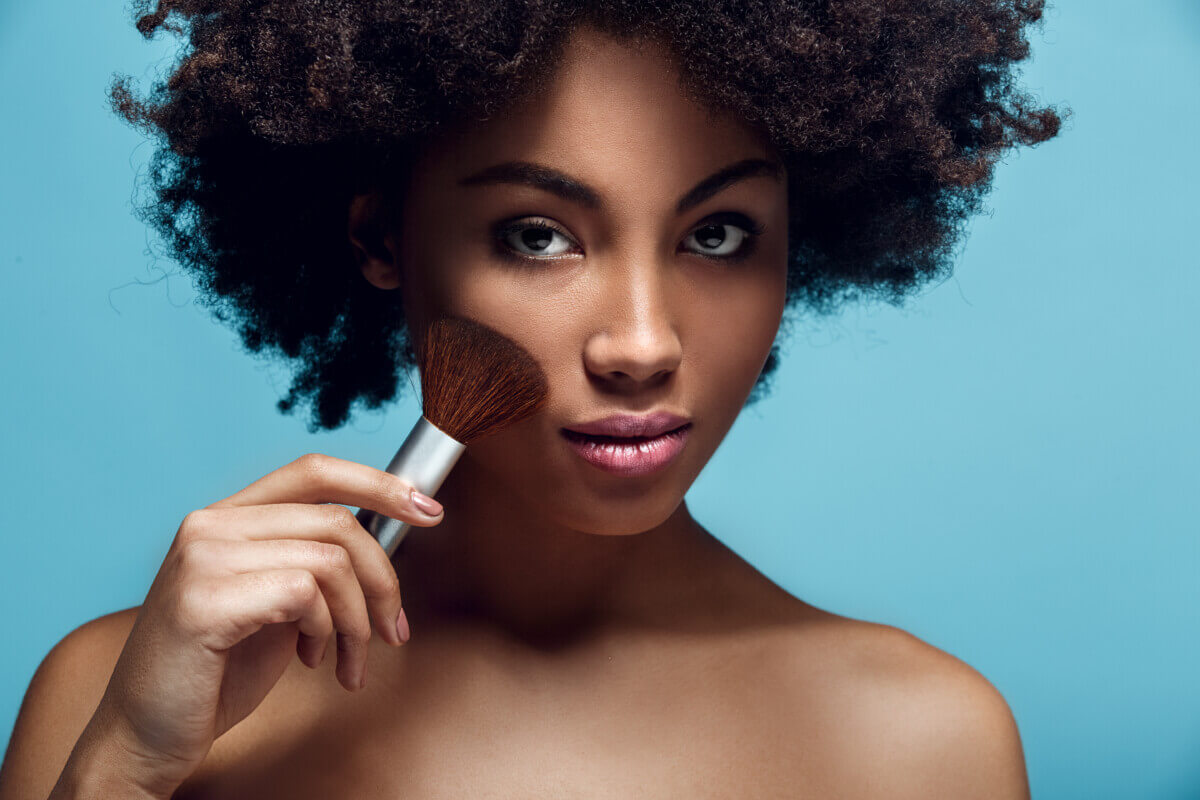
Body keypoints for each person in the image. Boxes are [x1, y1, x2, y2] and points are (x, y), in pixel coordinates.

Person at [0, 1, 1062, 797]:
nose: (642, 343)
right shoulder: (124, 697)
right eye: (538, 235)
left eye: (718, 233)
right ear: (380, 239)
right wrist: (122, 771)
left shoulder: (922, 742)